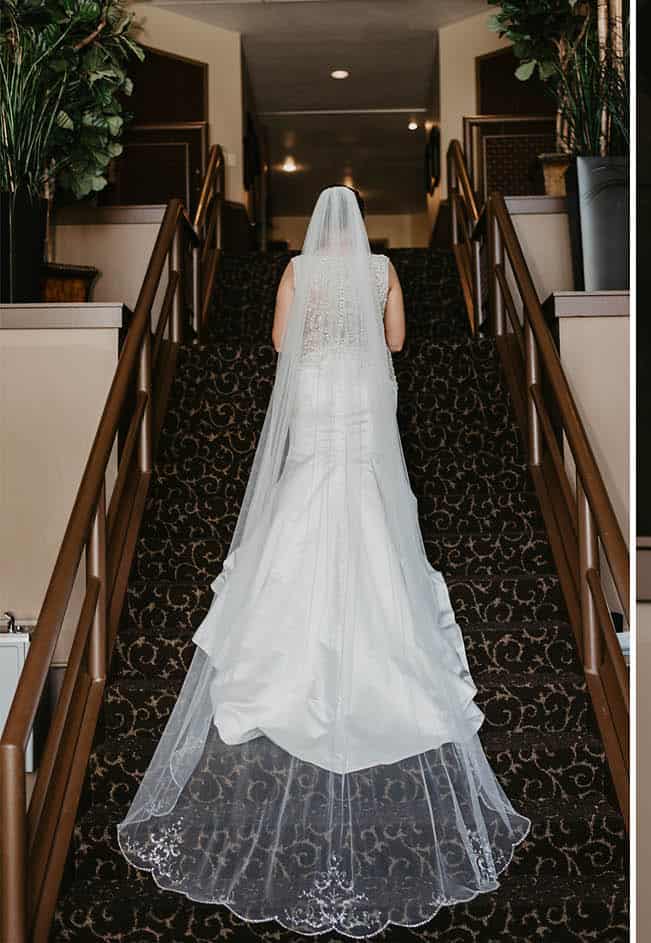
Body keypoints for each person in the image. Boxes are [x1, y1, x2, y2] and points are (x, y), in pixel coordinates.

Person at [117, 186, 529, 938]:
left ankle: (279, 652)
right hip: (362, 397)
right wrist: (366, 327)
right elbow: (397, 344)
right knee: (369, 500)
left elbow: (281, 344)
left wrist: (319, 333)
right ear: (363, 223)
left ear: (315, 225)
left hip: (314, 389)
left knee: (304, 490)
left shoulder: (298, 272)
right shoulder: (381, 270)